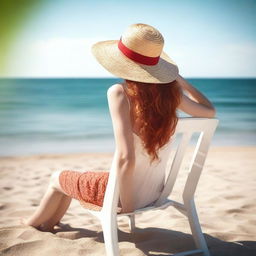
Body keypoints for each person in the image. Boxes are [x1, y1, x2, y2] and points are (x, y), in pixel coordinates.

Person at [21, 23, 215, 232]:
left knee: (56, 178)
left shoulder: (120, 93)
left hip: (123, 196)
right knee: (72, 182)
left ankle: (31, 224)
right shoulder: (170, 97)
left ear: (123, 62)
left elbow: (125, 157)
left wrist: (129, 207)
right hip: (153, 194)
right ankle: (49, 225)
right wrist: (180, 80)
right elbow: (209, 111)